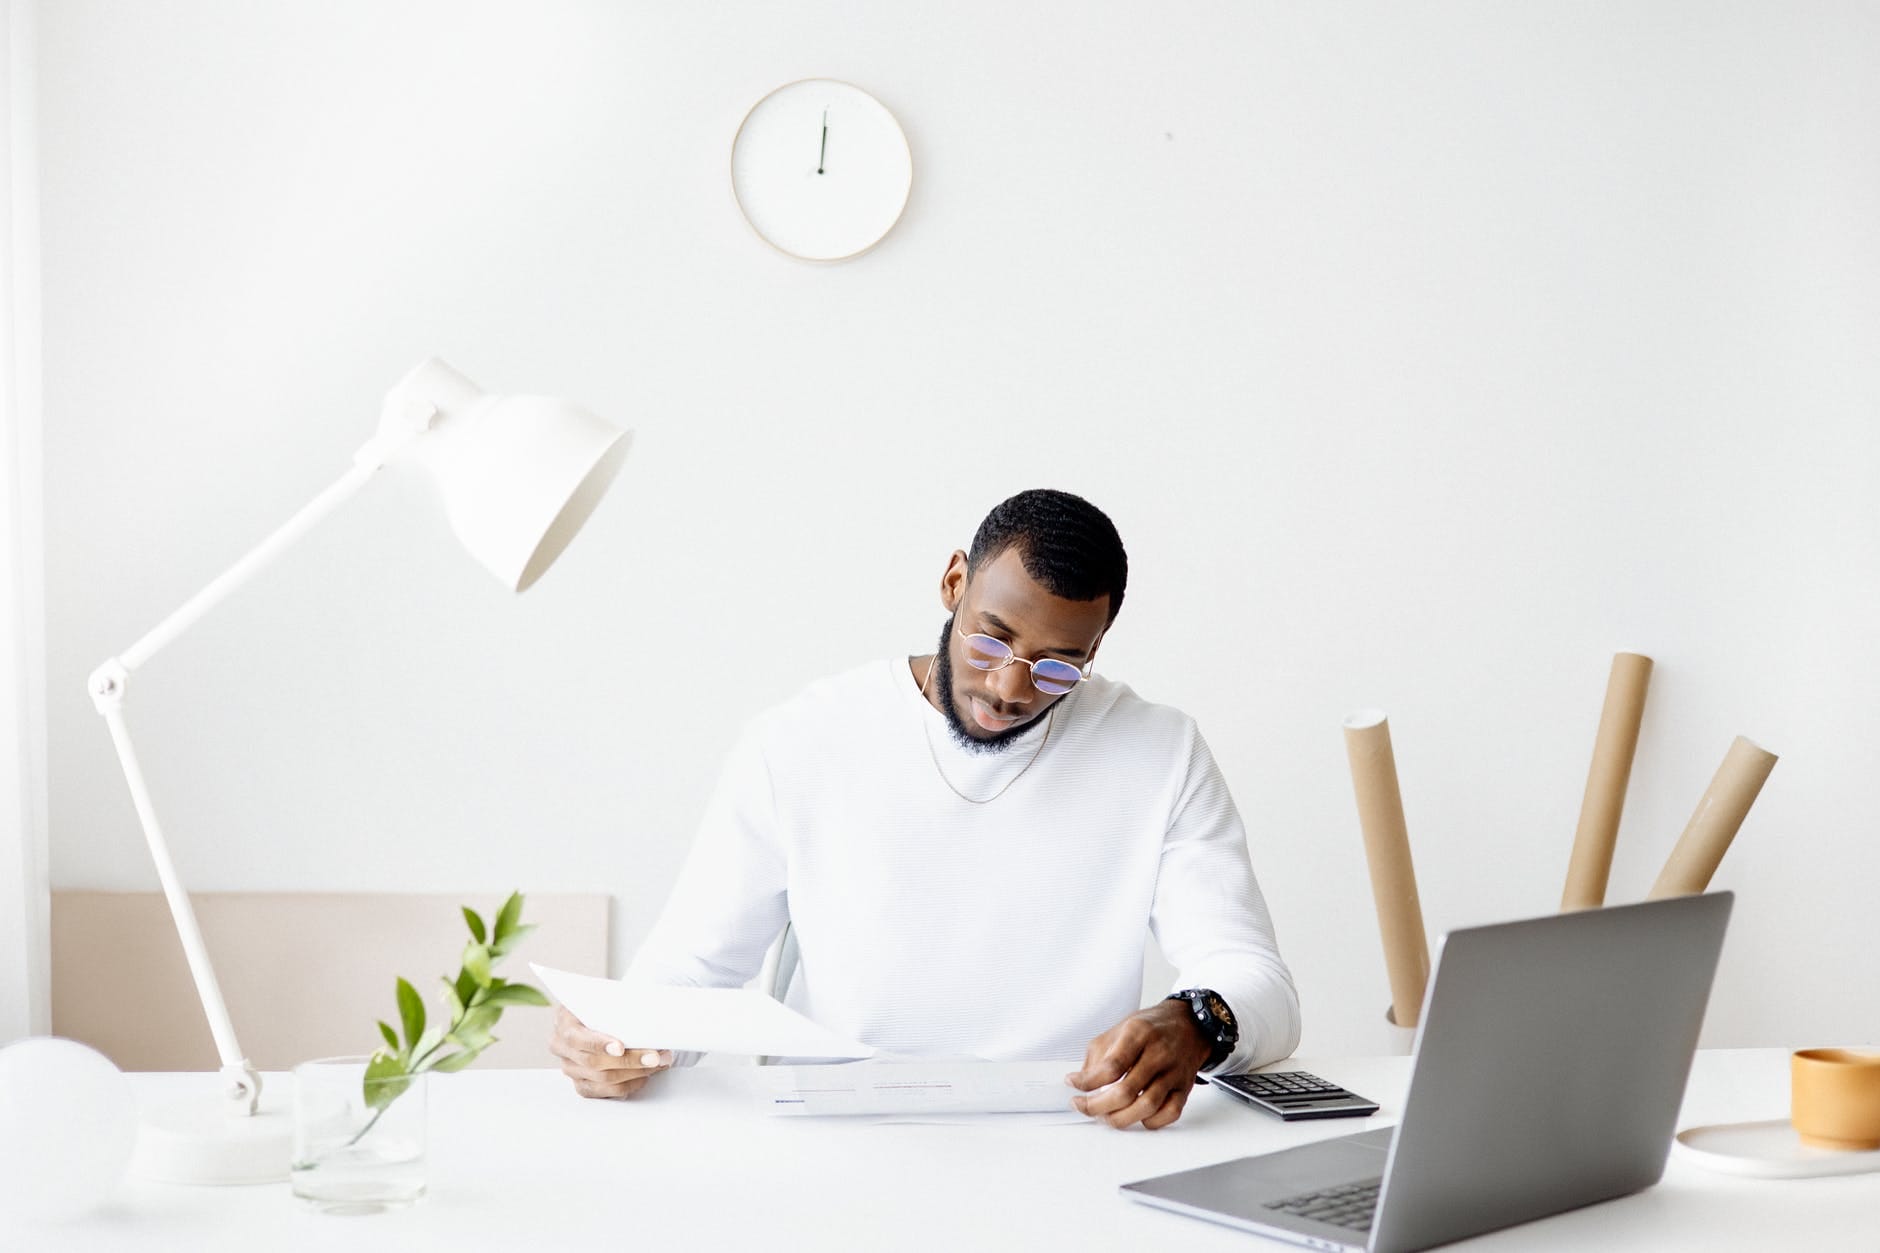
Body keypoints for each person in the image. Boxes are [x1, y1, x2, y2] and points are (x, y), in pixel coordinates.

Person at [550, 489, 1299, 1129]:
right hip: (837, 1133)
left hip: (1064, 1139)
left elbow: (1257, 980)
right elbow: (692, 968)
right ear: (952, 583)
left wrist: (1197, 1021)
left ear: (1095, 649)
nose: (1010, 686)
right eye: (992, 638)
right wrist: (617, 1038)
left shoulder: (1158, 752)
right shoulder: (802, 739)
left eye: (1057, 665)